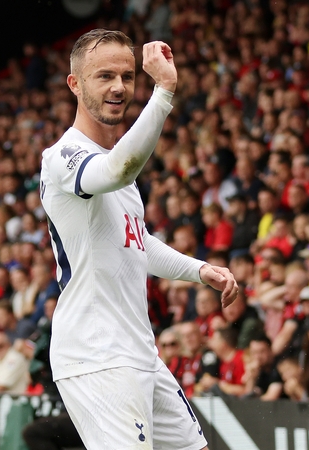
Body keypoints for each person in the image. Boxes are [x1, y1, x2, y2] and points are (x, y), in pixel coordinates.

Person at [39, 29, 237, 450]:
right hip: (96, 354)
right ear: (75, 84)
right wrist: (163, 91)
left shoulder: (120, 170)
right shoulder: (63, 157)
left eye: (127, 77)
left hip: (139, 351)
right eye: (104, 76)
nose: (118, 87)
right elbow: (117, 170)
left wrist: (200, 270)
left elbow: (137, 242)